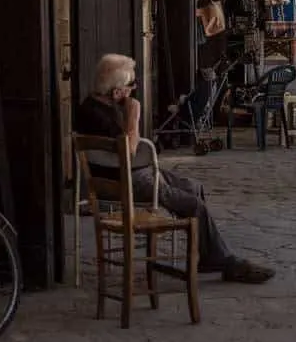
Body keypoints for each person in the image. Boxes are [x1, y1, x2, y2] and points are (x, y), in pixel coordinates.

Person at [74, 54, 274, 284]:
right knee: (194, 204)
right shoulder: (99, 115)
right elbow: (129, 150)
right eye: (131, 85)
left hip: (135, 174)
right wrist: (134, 117)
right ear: (117, 90)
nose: (134, 89)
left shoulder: (94, 105)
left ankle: (210, 255)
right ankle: (224, 261)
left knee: (193, 188)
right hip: (127, 182)